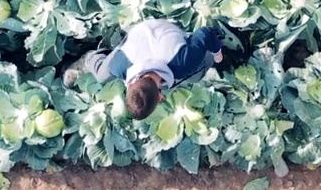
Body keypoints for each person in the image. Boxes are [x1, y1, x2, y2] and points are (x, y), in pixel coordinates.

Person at [62, 19, 225, 120]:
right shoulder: (120, 65)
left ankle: (207, 53)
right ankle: (88, 58)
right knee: (102, 75)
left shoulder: (184, 63)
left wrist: (217, 53)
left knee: (196, 73)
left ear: (160, 97)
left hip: (166, 30)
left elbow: (205, 33)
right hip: (140, 34)